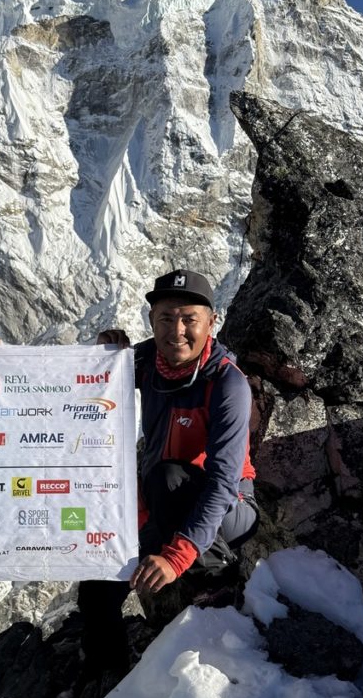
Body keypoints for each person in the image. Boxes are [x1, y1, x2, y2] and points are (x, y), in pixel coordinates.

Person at [77, 268, 258, 675]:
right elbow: (85, 388)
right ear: (151, 321)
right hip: (162, 499)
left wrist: (176, 558)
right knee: (96, 584)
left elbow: (223, 483)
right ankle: (111, 681)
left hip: (230, 508)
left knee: (168, 477)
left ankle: (216, 582)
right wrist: (104, 357)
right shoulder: (146, 362)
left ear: (211, 323)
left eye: (189, 319)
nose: (177, 331)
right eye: (165, 318)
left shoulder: (227, 384)